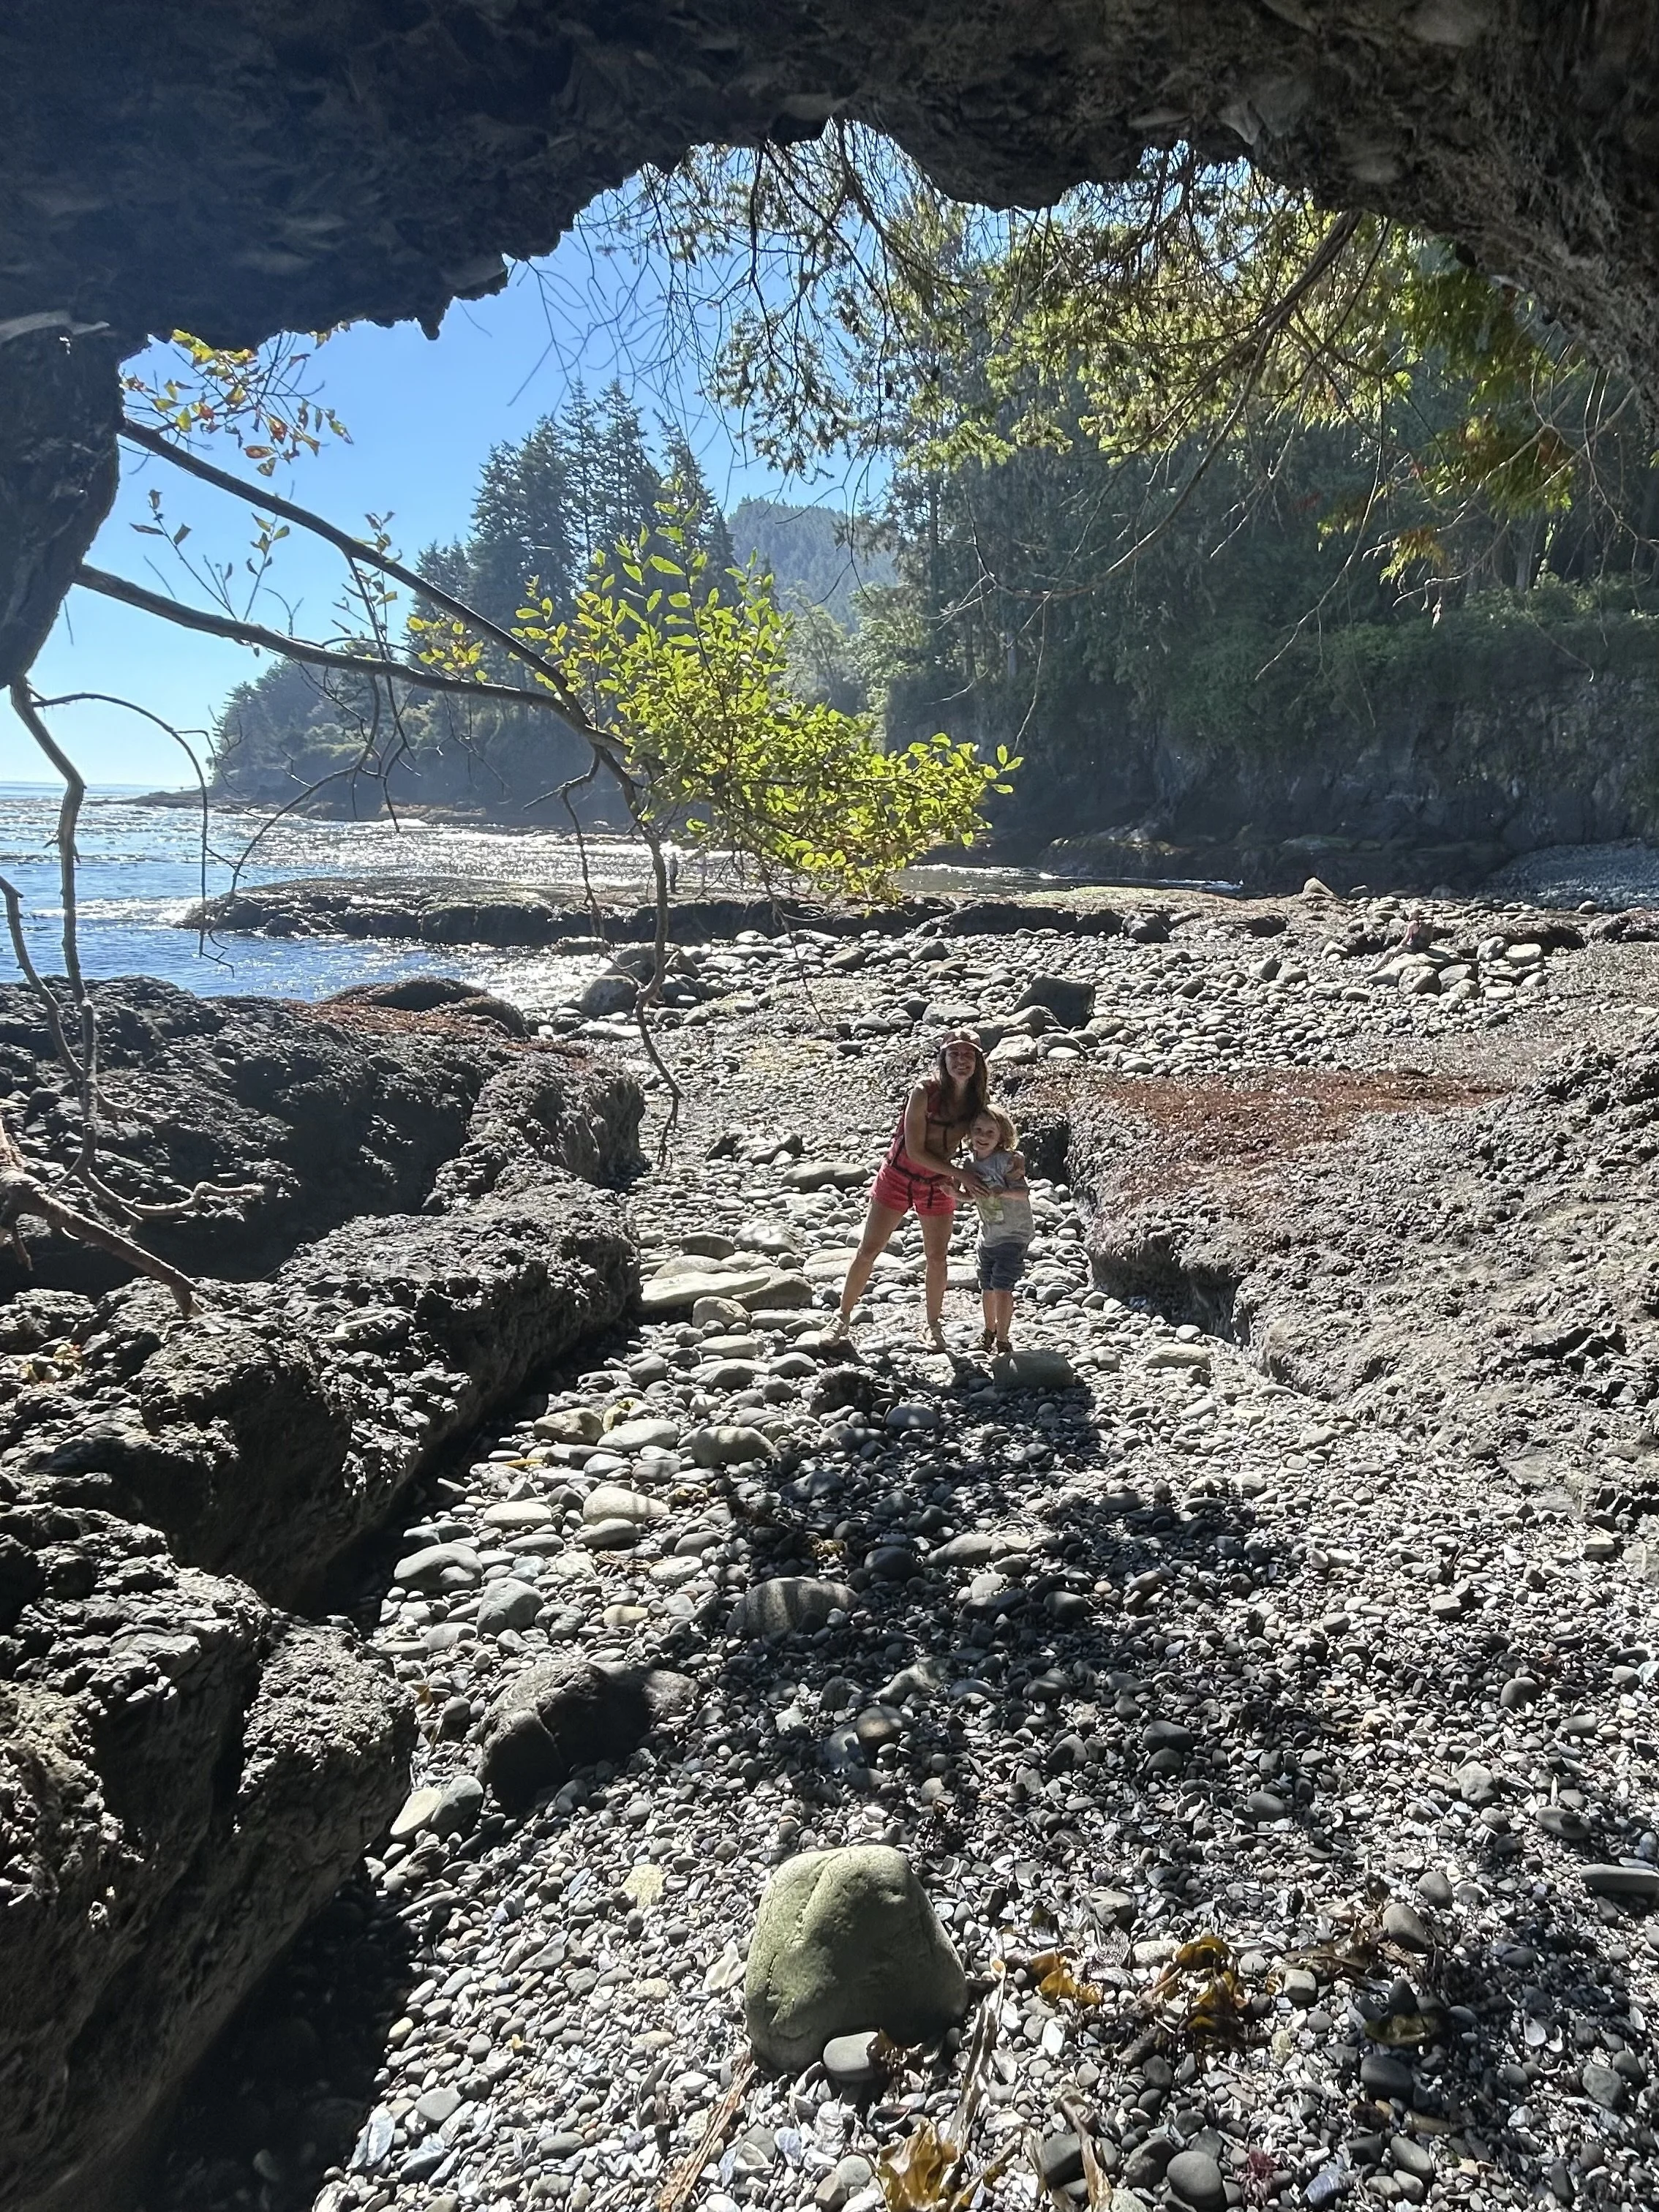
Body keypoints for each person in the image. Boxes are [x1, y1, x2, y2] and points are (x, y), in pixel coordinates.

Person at [835, 1031, 990, 1349]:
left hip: (937, 1184)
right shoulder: (924, 1092)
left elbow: (983, 1141)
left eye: (968, 1056)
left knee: (937, 1257)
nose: (961, 1061)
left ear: (977, 1063)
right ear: (943, 1059)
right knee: (869, 1249)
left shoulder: (977, 1100)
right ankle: (841, 1319)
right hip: (898, 1176)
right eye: (954, 1055)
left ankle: (933, 1326)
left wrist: (981, 1177)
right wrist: (959, 1173)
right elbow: (916, 1151)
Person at [966, 1105, 1033, 1355]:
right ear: (969, 1133)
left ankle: (1003, 1340)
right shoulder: (969, 1164)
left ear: (1001, 1137)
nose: (983, 1137)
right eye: (978, 1130)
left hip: (1014, 1234)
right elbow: (971, 1195)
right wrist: (954, 1194)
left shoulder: (1007, 1162)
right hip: (989, 1235)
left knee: (1003, 1285)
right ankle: (989, 1330)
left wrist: (1002, 1191)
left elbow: (1023, 1192)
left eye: (990, 1133)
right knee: (987, 1286)